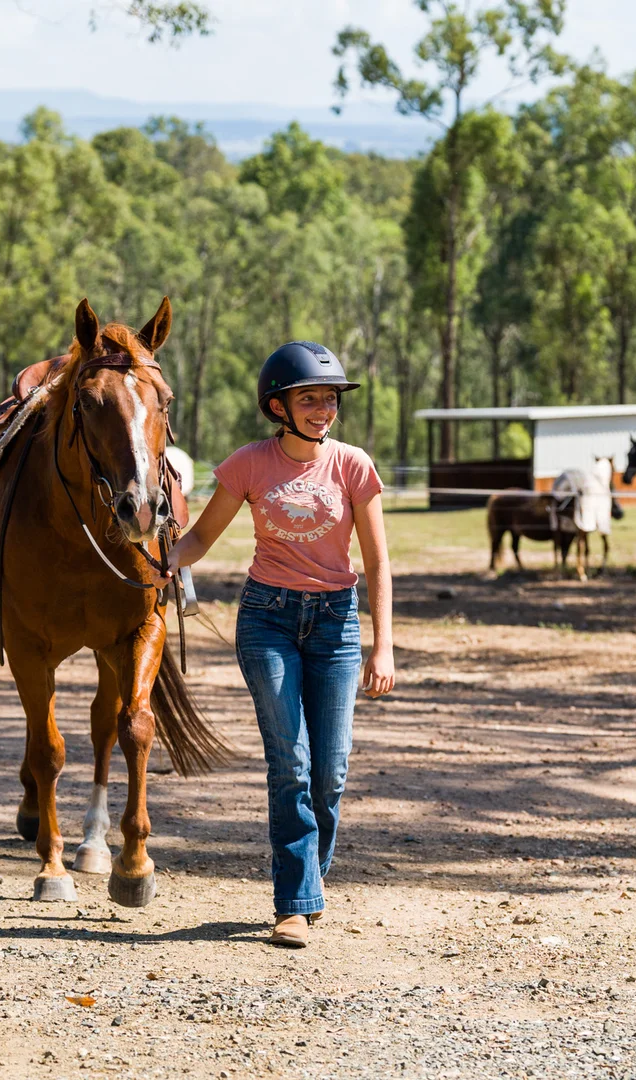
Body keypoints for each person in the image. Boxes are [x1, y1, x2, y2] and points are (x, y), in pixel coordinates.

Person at [164, 341, 395, 947]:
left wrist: (384, 645)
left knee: (333, 770)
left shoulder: (352, 466)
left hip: (337, 622)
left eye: (330, 399)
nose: (323, 409)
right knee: (290, 761)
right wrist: (154, 562)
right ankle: (294, 902)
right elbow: (199, 540)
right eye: (310, 398)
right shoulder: (247, 465)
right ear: (278, 405)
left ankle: (308, 881)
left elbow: (377, 561)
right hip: (267, 620)